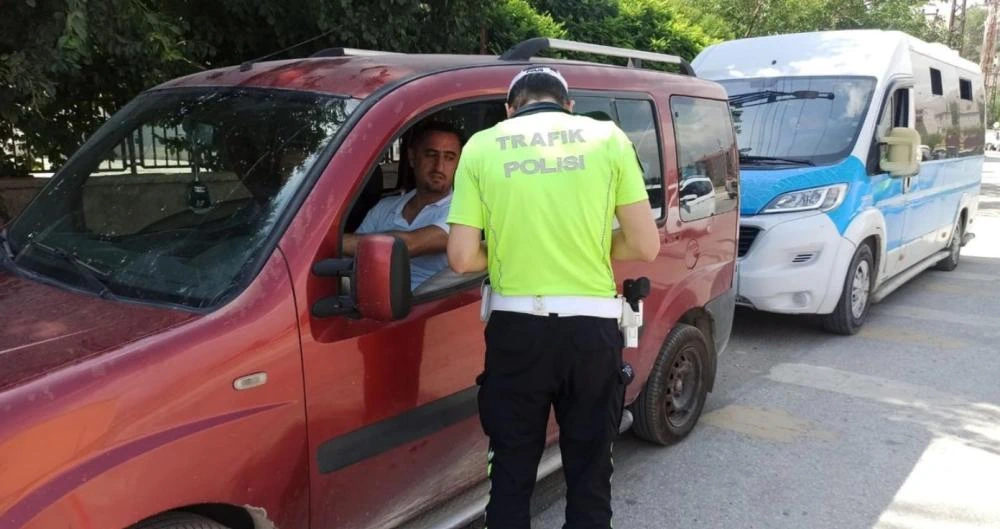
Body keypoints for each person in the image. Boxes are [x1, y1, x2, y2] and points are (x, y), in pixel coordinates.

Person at [446, 66, 660, 529]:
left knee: (510, 473)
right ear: (568, 107)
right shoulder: (607, 137)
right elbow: (645, 245)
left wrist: (515, 247)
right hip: (592, 333)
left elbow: (461, 258)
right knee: (589, 474)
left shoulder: (482, 145)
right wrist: (583, 244)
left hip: (516, 333)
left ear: (510, 109)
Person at [342, 121, 464, 290]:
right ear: (412, 158)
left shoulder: (463, 212)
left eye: (449, 157)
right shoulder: (385, 207)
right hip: (368, 305)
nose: (439, 167)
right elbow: (349, 258)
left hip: (428, 310)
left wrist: (328, 244)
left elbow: (406, 245)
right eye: (431, 155)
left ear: (459, 163)